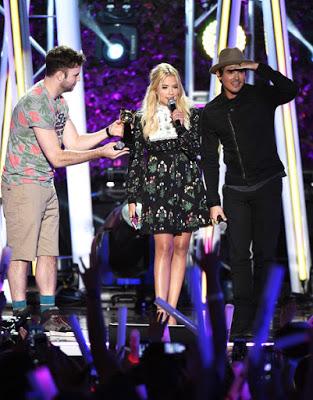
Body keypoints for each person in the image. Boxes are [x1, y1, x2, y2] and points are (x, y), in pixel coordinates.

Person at [1, 45, 128, 331]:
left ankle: (48, 313)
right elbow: (58, 156)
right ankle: (20, 316)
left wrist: (107, 132)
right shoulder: (35, 102)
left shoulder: (58, 102)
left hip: (44, 183)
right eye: (75, 74)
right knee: (22, 252)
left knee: (48, 251)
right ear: (60, 75)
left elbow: (73, 143)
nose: (78, 79)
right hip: (22, 183)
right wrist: (101, 153)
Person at [200, 47, 297, 337]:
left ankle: (264, 315)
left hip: (267, 183)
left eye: (241, 70)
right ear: (219, 75)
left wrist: (258, 66)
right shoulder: (212, 112)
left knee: (266, 254)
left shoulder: (260, 96)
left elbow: (289, 89)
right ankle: (243, 319)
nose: (237, 76)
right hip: (235, 190)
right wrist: (213, 202)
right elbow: (208, 158)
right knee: (240, 255)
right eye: (231, 71)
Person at [126, 63, 210, 325]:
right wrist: (133, 197)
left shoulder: (191, 115)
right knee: (163, 246)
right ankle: (160, 308)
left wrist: (181, 125)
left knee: (182, 246)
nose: (171, 92)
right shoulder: (142, 118)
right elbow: (137, 159)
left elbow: (196, 150)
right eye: (165, 87)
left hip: (186, 183)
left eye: (175, 86)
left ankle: (172, 311)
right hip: (156, 185)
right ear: (155, 89)